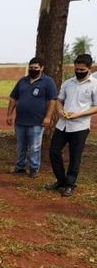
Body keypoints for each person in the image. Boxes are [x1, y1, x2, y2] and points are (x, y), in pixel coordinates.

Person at [46, 53, 97, 197]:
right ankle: (61, 180)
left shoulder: (94, 85)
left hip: (80, 126)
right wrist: (60, 111)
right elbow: (59, 100)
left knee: (75, 156)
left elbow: (96, 106)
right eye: (77, 69)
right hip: (63, 124)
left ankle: (70, 184)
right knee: (54, 151)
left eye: (82, 70)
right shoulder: (68, 83)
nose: (79, 72)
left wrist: (78, 114)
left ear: (89, 68)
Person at [6, 57, 57, 178]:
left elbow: (52, 101)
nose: (32, 70)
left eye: (35, 68)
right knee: (20, 146)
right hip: (20, 121)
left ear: (42, 68)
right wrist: (9, 114)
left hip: (37, 121)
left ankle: (34, 169)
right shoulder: (22, 81)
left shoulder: (48, 82)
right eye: (31, 67)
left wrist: (48, 117)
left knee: (34, 147)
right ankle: (20, 167)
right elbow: (13, 98)